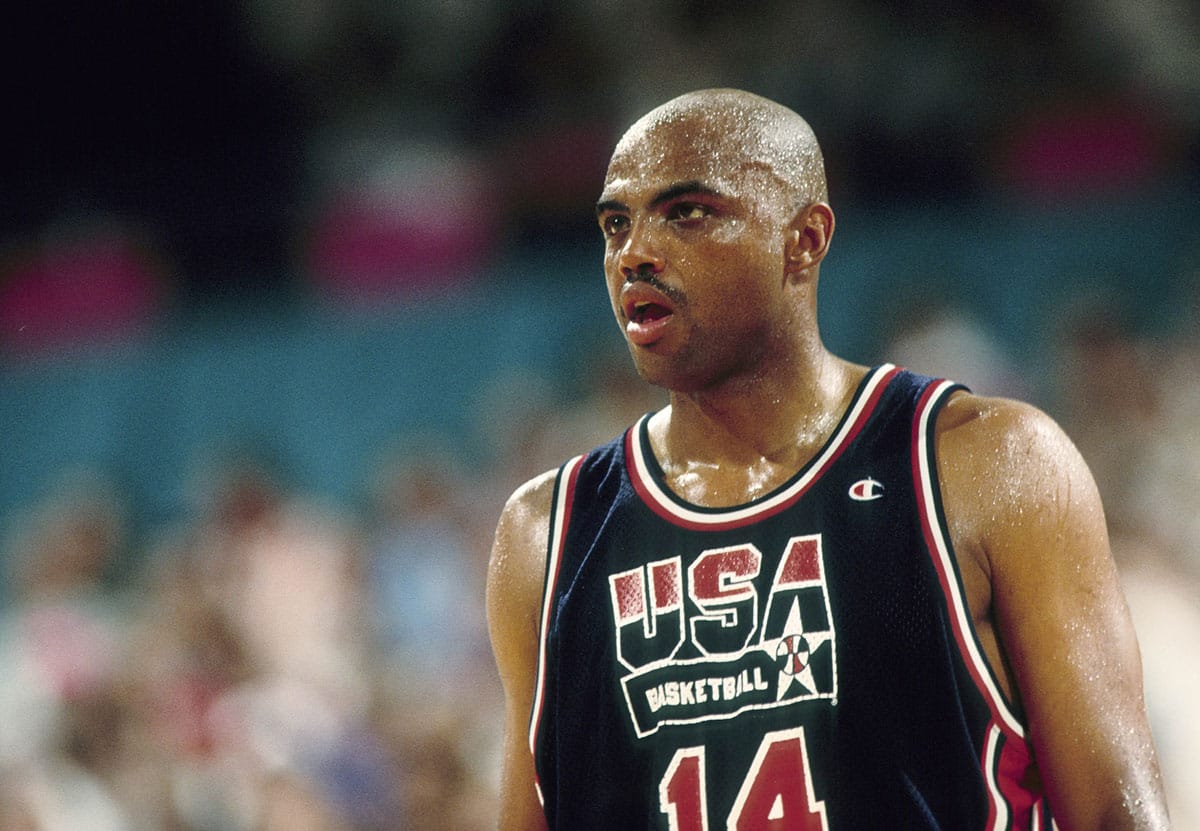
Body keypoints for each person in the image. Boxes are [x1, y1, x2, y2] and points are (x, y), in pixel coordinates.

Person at [485, 89, 1169, 830]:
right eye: (616, 223)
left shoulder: (986, 460)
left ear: (804, 238)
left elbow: (1114, 809)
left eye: (687, 212)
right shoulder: (544, 533)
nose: (635, 253)